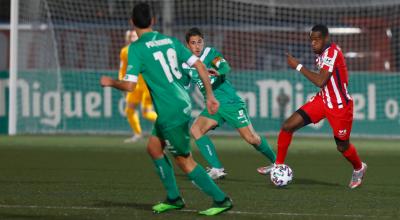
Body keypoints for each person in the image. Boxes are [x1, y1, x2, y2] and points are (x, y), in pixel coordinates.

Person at [100, 3, 232, 216]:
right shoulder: (169, 40)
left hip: (172, 111)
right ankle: (173, 198)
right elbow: (199, 65)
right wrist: (209, 95)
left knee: (184, 160)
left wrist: (110, 81)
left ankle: (221, 199)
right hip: (178, 105)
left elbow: (130, 86)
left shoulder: (137, 48)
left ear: (132, 22)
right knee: (153, 148)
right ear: (153, 20)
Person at [257, 24, 367, 189]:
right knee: (287, 126)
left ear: (326, 39)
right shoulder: (321, 53)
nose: (313, 43)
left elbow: (320, 81)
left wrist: (298, 66)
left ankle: (359, 168)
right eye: (311, 40)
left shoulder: (332, 52)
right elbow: (325, 84)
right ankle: (278, 165)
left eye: (317, 40)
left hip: (339, 107)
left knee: (342, 146)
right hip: (322, 101)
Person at [181, 28, 276, 179]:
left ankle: (277, 163)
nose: (197, 46)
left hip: (230, 102)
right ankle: (217, 168)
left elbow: (225, 66)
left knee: (251, 138)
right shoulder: (186, 65)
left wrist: (219, 72)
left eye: (199, 42)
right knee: (196, 129)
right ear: (187, 45)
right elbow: (183, 86)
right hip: (214, 106)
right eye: (193, 43)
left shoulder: (210, 54)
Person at [118, 30, 157, 143]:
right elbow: (122, 69)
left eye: (134, 36)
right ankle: (137, 134)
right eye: (130, 36)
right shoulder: (124, 51)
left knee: (146, 113)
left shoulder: (146, 49)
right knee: (129, 109)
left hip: (146, 84)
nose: (132, 38)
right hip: (133, 84)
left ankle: (167, 125)